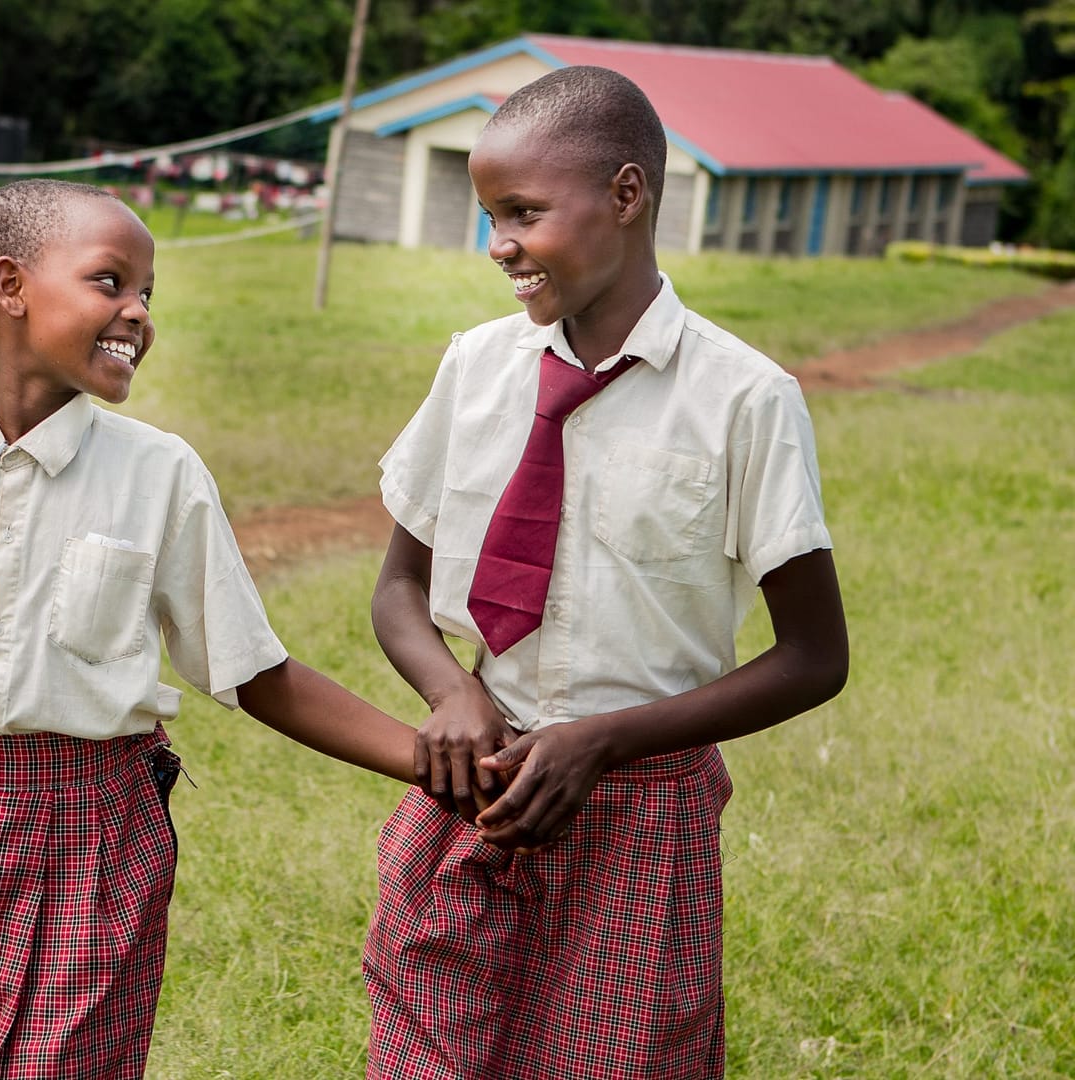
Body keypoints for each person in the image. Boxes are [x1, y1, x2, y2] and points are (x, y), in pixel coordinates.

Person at [0, 178, 418, 1080]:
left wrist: (430, 764)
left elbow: (255, 673)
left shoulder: (160, 474)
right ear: (11, 286)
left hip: (100, 843)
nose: (138, 313)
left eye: (148, 294)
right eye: (110, 282)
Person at [363, 66, 849, 1079]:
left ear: (626, 197)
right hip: (473, 790)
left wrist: (601, 741)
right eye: (490, 215)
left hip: (639, 814)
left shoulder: (744, 400)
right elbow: (398, 587)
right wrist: (451, 693)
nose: (498, 243)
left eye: (523, 212)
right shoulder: (477, 366)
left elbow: (813, 657)